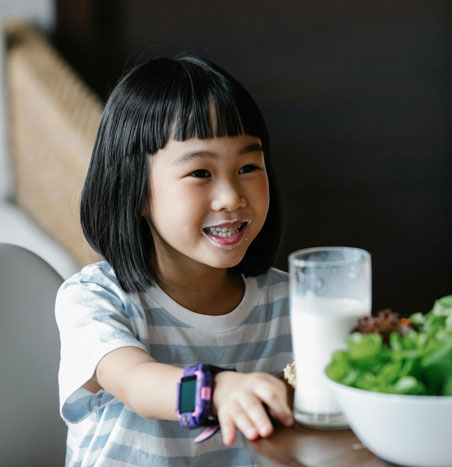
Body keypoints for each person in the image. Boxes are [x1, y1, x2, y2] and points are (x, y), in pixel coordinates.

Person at [55, 54, 293, 466]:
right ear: (135, 191)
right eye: (201, 173)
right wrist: (215, 390)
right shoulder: (95, 298)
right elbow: (136, 383)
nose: (232, 198)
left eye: (249, 166)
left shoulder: (294, 302)